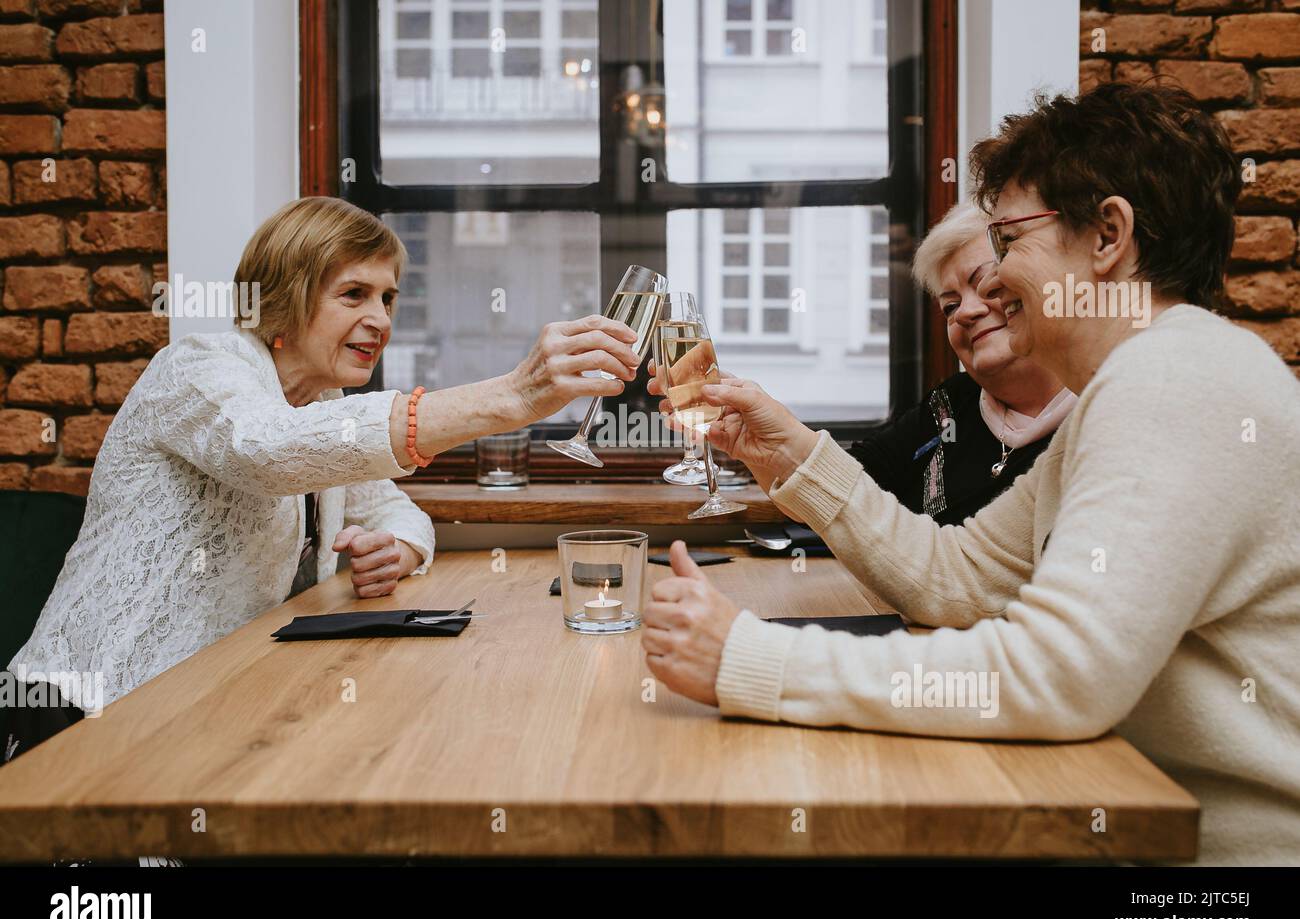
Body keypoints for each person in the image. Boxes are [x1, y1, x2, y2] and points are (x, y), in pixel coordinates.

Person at [641, 83, 1300, 865]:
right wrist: (785, 453)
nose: (993, 279)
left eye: (1009, 238)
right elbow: (956, 578)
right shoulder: (1134, 388)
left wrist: (749, 660)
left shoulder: (1174, 380)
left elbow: (1061, 675)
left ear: (1108, 236)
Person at [3, 196, 642, 763]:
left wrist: (398, 549)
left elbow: (398, 511)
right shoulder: (199, 366)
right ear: (285, 297)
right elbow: (267, 452)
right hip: (88, 710)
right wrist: (509, 396)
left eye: (388, 298)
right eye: (354, 294)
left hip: (206, 708)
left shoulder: (321, 403)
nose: (380, 318)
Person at [850, 202, 1074, 524]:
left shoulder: (1098, 419)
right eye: (950, 306)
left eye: (988, 284)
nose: (966, 312)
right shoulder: (953, 403)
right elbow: (862, 474)